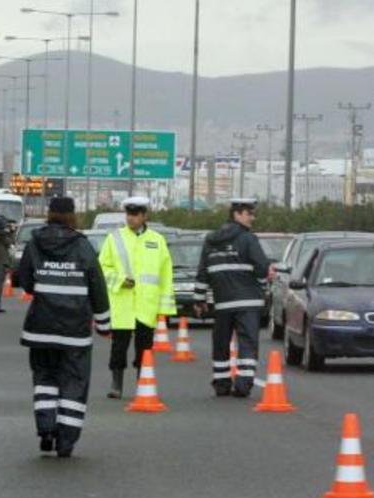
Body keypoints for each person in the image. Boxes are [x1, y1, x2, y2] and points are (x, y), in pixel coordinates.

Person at [17, 196, 111, 458]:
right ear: (72, 215)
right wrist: (103, 323)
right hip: (74, 331)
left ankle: (46, 430)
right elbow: (97, 287)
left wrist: (46, 288)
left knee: (45, 379)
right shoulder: (82, 246)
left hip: (40, 327)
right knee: (73, 383)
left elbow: (23, 280)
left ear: (50, 213)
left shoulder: (35, 243)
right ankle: (66, 441)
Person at [97, 196, 176, 399]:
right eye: (128, 214)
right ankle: (117, 384)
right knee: (118, 347)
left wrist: (165, 309)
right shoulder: (114, 238)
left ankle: (143, 381)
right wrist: (121, 280)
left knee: (145, 348)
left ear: (144, 216)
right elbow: (102, 268)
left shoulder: (157, 241)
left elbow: (166, 275)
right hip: (122, 304)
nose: (130, 218)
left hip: (146, 306)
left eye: (135, 215)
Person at [195, 197, 274, 397]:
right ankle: (243, 384)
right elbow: (263, 267)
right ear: (237, 214)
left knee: (221, 342)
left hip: (222, 302)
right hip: (248, 302)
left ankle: (221, 383)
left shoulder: (211, 240)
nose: (253, 218)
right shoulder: (248, 239)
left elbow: (202, 272)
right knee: (247, 342)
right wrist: (266, 276)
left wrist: (199, 299)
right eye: (249, 213)